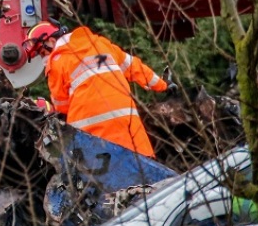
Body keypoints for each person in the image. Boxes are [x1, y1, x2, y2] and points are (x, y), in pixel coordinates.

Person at [24, 23, 175, 158]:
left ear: (51, 41)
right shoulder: (100, 43)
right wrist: (162, 85)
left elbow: (62, 107)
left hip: (91, 137)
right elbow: (135, 67)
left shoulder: (57, 64)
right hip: (127, 125)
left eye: (42, 53)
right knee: (144, 170)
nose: (44, 58)